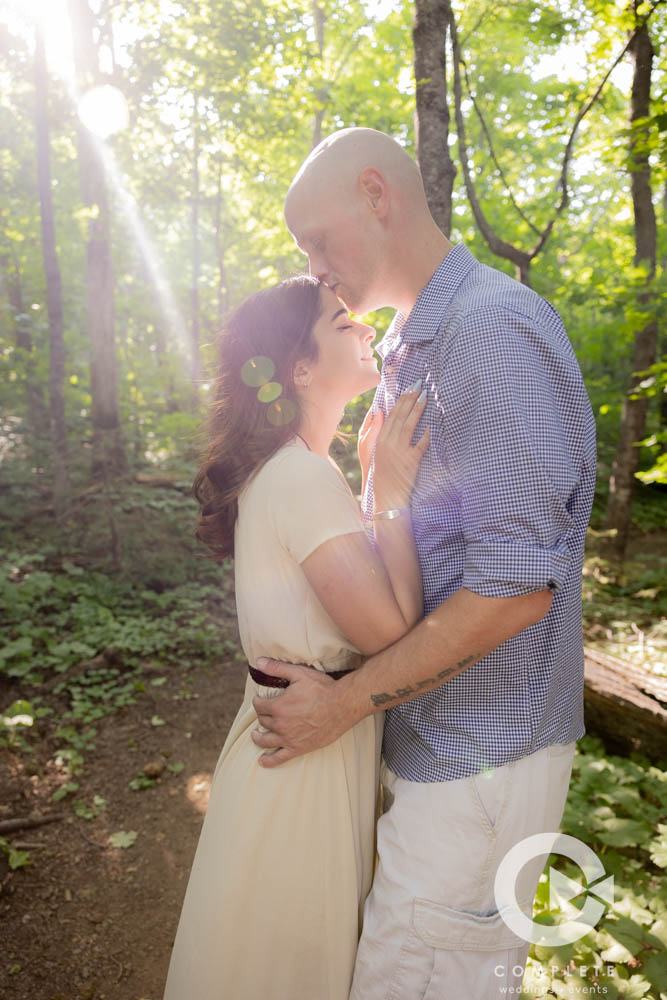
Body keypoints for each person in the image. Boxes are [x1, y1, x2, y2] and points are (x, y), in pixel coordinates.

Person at [251, 128, 597, 999]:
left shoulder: (490, 330)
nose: (316, 269)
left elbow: (516, 588)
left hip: (481, 759)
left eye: (318, 242)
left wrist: (340, 705)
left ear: (377, 195)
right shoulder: (412, 344)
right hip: (432, 745)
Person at [162, 274, 429, 1000]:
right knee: (282, 967)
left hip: (298, 740)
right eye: (345, 324)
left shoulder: (290, 470)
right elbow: (392, 632)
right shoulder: (300, 477)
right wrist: (392, 493)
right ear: (298, 369)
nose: (369, 330)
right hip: (302, 759)